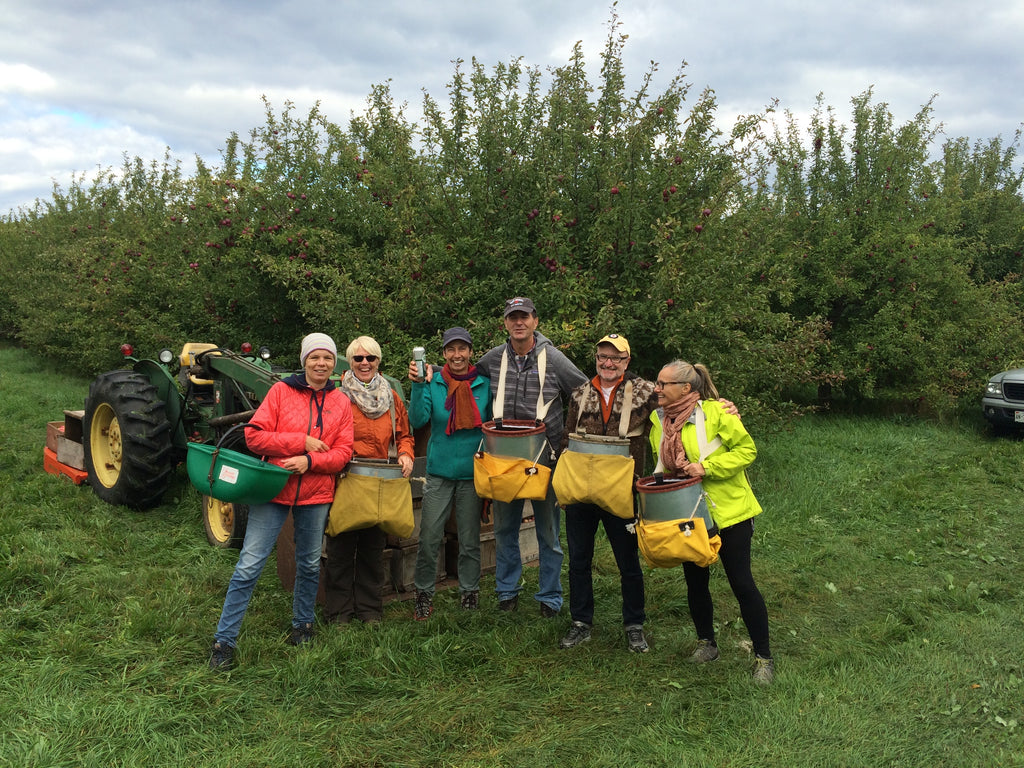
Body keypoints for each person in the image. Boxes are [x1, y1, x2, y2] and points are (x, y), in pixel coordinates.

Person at [209, 333, 354, 670]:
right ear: (304, 361)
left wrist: (310, 462)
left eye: (328, 358)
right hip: (273, 490)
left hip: (316, 494)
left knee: (308, 563)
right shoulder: (281, 392)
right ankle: (224, 642)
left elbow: (343, 452)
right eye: (315, 357)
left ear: (334, 364)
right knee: (249, 564)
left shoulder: (340, 402)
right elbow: (254, 436)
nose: (321, 364)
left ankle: (302, 626)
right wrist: (299, 442)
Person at [650, 359, 774, 684]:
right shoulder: (657, 419)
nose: (657, 388)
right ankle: (707, 644)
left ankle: (763, 657)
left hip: (729, 512)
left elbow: (747, 450)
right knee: (695, 582)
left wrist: (706, 468)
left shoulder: (717, 413)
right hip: (688, 514)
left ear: (686, 388)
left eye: (664, 384)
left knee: (742, 584)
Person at [475, 297, 588, 616]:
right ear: (506, 324)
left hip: (544, 459)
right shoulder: (493, 359)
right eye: (513, 317)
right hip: (502, 459)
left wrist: (567, 440)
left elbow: (584, 392)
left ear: (535, 321)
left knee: (548, 532)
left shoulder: (552, 358)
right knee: (505, 530)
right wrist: (428, 377)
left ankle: (550, 596)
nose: (519, 322)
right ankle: (507, 591)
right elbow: (466, 379)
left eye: (524, 317)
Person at [557, 333, 658, 653]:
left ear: (627, 361)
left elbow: (678, 410)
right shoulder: (578, 393)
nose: (608, 363)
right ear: (596, 359)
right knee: (579, 561)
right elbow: (567, 440)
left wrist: (718, 405)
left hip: (622, 492)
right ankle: (580, 623)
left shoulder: (646, 393)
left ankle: (634, 625)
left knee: (628, 562)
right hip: (581, 492)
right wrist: (563, 482)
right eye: (603, 356)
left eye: (616, 357)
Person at [323, 336, 415, 625]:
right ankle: (338, 612)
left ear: (378, 362)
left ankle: (370, 610)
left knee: (372, 550)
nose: (364, 363)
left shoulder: (391, 396)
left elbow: (404, 435)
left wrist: (407, 454)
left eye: (370, 358)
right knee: (340, 548)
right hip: (346, 479)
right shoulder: (336, 396)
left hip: (380, 482)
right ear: (349, 362)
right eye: (358, 359)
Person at [407, 327, 492, 618]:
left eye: (462, 349)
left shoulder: (483, 384)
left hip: (472, 473)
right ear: (443, 353)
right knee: (429, 538)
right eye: (451, 350)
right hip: (440, 472)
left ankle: (469, 592)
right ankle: (423, 594)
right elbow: (417, 419)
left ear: (470, 352)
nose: (457, 355)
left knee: (469, 539)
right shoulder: (434, 381)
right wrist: (419, 385)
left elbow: (493, 426)